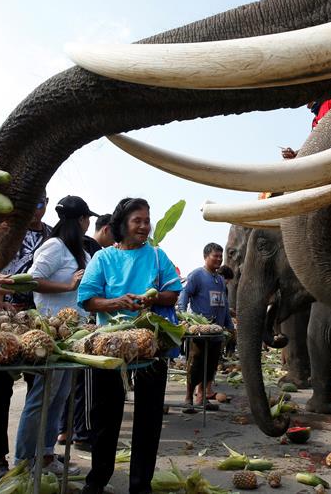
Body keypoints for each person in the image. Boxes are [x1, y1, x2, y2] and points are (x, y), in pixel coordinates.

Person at [77, 197, 182, 494]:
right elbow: (87, 299)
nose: (144, 226)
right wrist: (116, 302)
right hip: (109, 345)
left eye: (147, 220)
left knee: (148, 418)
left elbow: (172, 293)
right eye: (137, 220)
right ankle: (97, 479)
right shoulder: (103, 258)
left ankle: (140, 485)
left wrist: (152, 298)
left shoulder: (158, 256)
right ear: (121, 225)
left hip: (150, 345)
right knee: (105, 415)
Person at [0, 195, 97, 475]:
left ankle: (47, 455)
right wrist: (67, 284)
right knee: (42, 396)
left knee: (60, 396)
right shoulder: (54, 246)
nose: (89, 224)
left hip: (73, 334)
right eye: (88, 218)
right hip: (50, 331)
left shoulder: (81, 251)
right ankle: (25, 460)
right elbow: (32, 280)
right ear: (79, 220)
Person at [0, 192, 52, 481]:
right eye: (34, 200)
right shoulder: (5, 229)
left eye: (43, 201)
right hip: (4, 318)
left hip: (39, 320)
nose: (39, 206)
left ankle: (34, 453)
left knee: (39, 387)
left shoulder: (50, 234)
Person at [58, 213, 113, 451]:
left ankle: (65, 430)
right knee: (81, 384)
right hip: (70, 323)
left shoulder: (85, 248)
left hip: (74, 323)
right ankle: (81, 433)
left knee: (68, 386)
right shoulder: (91, 249)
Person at [178, 243, 234, 412]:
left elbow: (224, 305)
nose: (219, 259)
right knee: (195, 364)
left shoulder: (219, 280)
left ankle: (202, 397)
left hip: (216, 333)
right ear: (206, 256)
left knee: (210, 366)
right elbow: (185, 294)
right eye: (215, 256)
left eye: (220, 256)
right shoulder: (197, 275)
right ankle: (188, 398)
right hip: (200, 331)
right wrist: (182, 315)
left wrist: (229, 326)